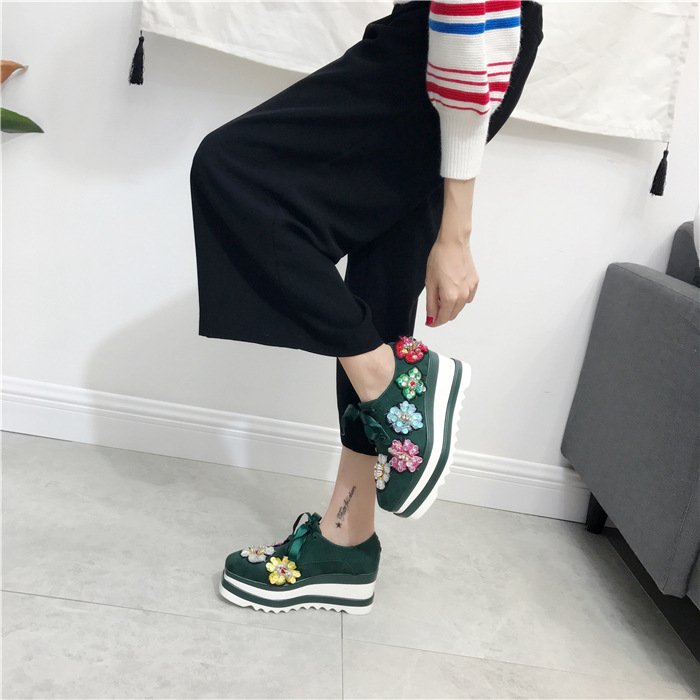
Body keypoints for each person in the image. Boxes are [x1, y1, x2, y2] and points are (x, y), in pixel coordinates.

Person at [189, 0, 544, 614]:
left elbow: (469, 22)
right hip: (456, 42)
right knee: (383, 278)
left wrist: (456, 231)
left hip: (456, 40)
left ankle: (392, 382)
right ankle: (346, 539)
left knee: (231, 169)